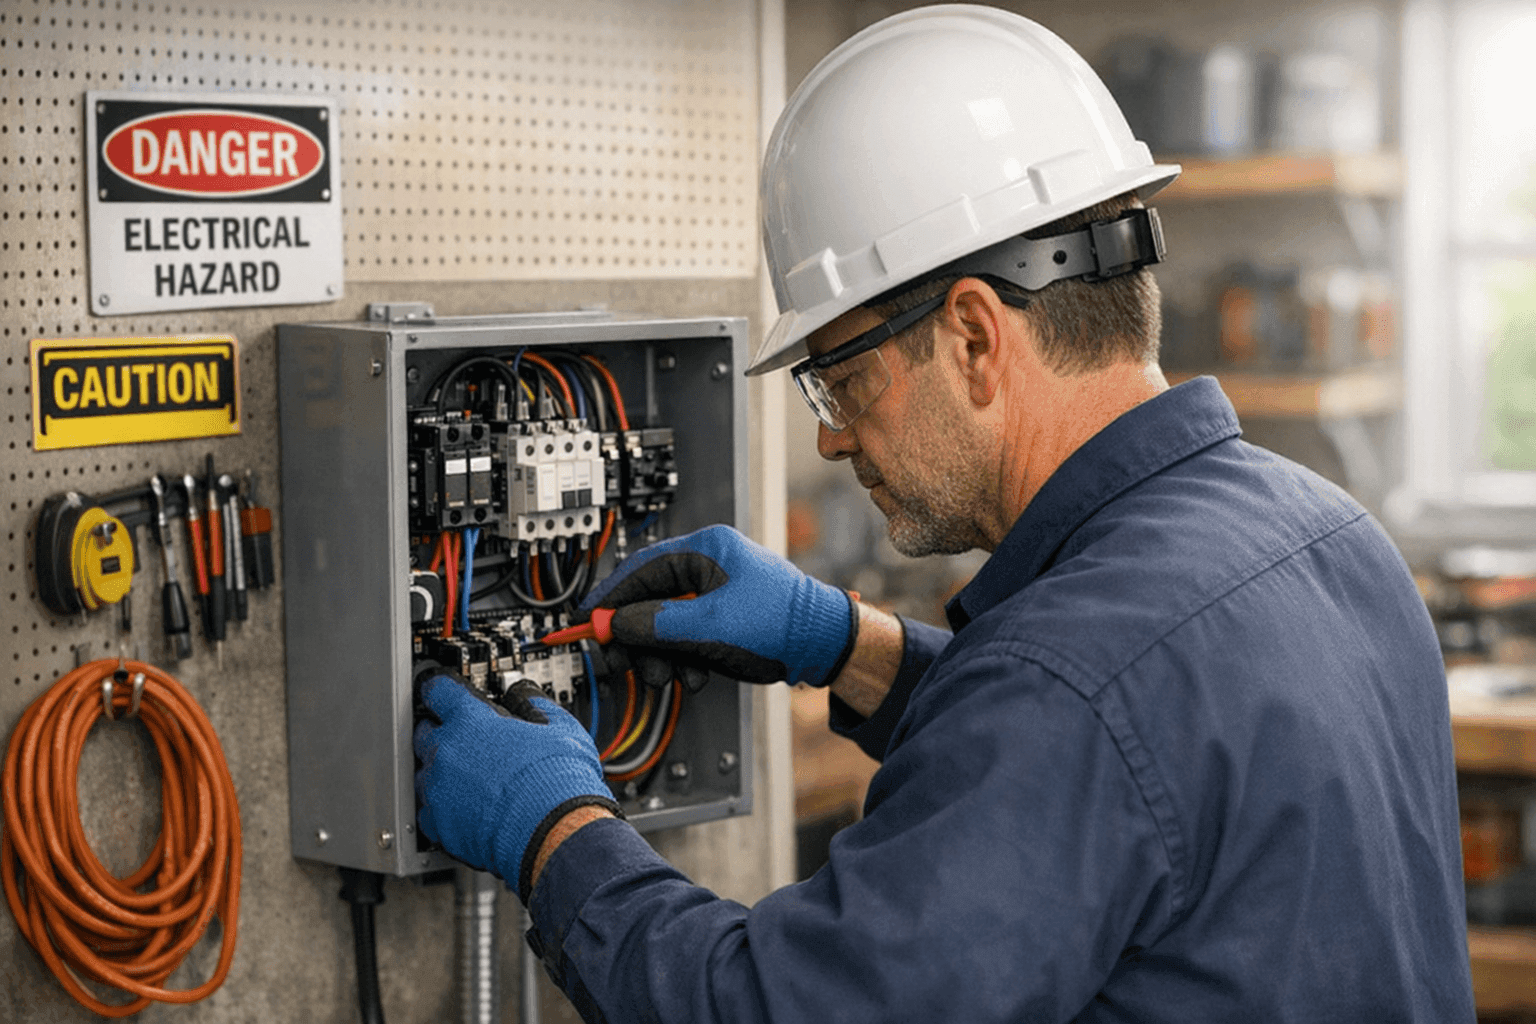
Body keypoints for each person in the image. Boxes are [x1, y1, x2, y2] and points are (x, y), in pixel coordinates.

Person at [413, 7, 1475, 1021]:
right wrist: (852, 646)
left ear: (972, 337)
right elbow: (1139, 784)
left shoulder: (1068, 686)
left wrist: (550, 826)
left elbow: (767, 1008)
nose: (830, 437)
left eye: (840, 379)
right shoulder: (1332, 536)